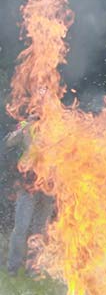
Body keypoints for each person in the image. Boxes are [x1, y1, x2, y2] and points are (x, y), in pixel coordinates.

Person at [6, 118, 53, 276]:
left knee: (40, 229)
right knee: (21, 226)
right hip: (28, 184)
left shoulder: (56, 122)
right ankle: (13, 267)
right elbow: (9, 142)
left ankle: (33, 268)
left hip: (48, 185)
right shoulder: (26, 124)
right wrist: (22, 130)